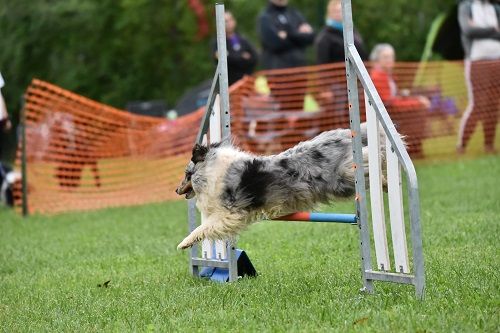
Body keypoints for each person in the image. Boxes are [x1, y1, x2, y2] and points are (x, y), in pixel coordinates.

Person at [369, 44, 430, 158]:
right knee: (418, 112)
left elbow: (394, 98)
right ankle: (412, 149)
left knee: (419, 109)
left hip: (392, 112)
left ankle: (413, 148)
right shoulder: (378, 76)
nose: (390, 60)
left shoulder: (386, 75)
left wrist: (414, 99)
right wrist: (418, 103)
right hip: (388, 115)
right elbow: (391, 103)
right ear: (377, 60)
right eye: (386, 57)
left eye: (391, 57)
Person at [457, 0, 500, 154]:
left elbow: (476, 30)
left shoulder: (495, 8)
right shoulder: (466, 7)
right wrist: (493, 30)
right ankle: (462, 146)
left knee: (493, 105)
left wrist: (481, 29)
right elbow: (468, 31)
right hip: (477, 62)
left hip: (497, 61)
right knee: (478, 105)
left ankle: (488, 145)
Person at [258, 0, 315, 70]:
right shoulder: (265, 17)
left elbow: (311, 37)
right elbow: (275, 43)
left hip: (300, 68)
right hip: (278, 71)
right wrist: (299, 36)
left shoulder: (294, 14)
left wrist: (287, 35)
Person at [315, 0, 367, 65]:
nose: (339, 14)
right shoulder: (325, 37)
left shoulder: (352, 30)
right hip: (337, 73)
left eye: (341, 10)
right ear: (330, 13)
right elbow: (322, 63)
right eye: (336, 11)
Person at [213, 11, 258, 86]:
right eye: (225, 21)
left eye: (230, 19)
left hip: (247, 82)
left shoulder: (243, 39)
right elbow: (223, 60)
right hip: (230, 85)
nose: (229, 23)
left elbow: (255, 56)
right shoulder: (217, 43)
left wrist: (233, 56)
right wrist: (242, 57)